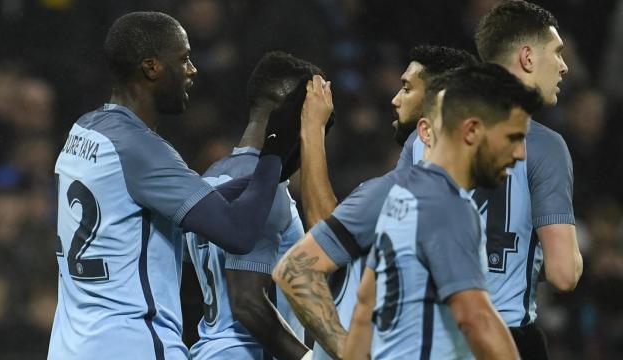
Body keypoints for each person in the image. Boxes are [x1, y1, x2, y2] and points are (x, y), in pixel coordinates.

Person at [49, 12, 299, 360]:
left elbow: (140, 218)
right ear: (151, 67)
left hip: (71, 343)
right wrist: (274, 154)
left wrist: (243, 183)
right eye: (183, 59)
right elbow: (238, 234)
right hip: (133, 343)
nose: (192, 69)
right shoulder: (142, 150)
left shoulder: (85, 131)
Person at [402, 2, 582, 359]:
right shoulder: (543, 146)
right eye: (557, 53)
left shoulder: (421, 138)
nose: (564, 66)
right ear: (527, 57)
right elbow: (564, 273)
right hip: (505, 338)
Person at [276, 45, 476, 359]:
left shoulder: (410, 191)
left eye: (408, 88)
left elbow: (320, 232)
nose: (396, 99)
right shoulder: (441, 195)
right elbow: (313, 252)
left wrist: (312, 129)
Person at [343, 63, 543, 359]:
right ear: (472, 130)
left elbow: (364, 307)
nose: (520, 154)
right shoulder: (448, 208)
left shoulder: (404, 194)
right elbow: (476, 319)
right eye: (513, 137)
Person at [187, 51, 327, 360]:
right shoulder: (263, 190)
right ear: (287, 112)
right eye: (313, 121)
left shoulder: (210, 178)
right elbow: (248, 303)